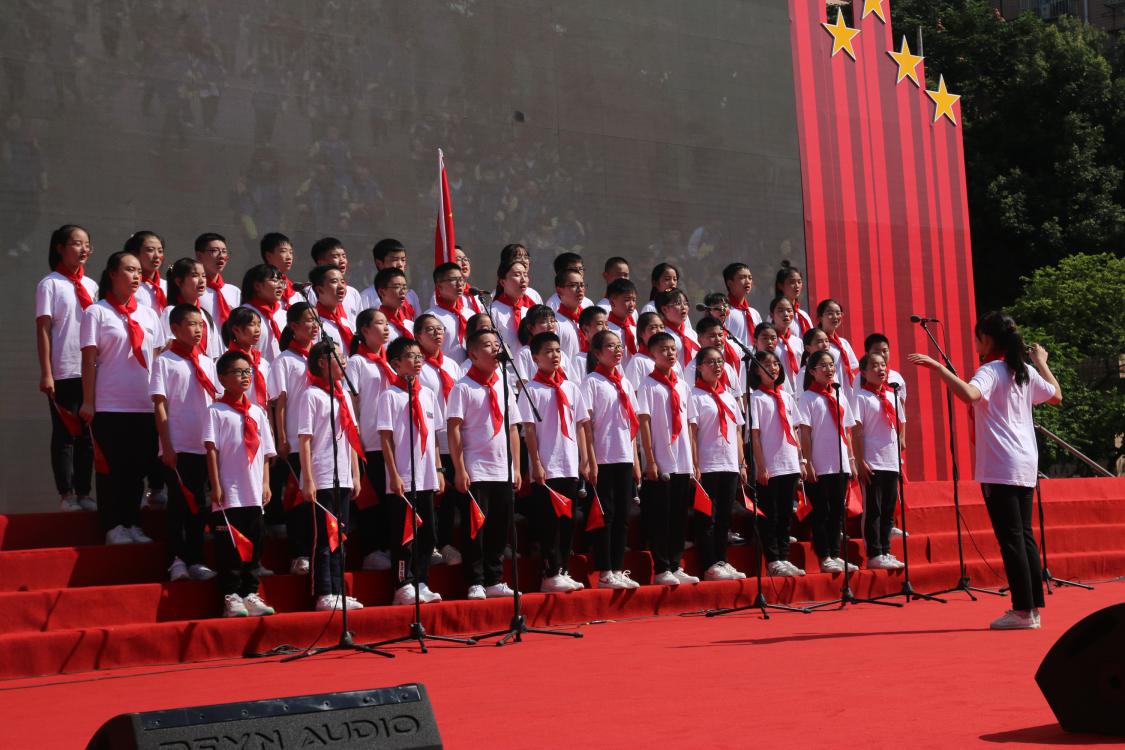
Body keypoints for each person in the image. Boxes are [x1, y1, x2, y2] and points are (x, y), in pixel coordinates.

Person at [909, 311, 1061, 630]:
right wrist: (1041, 362)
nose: (975, 344)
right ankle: (1032, 609)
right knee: (1024, 536)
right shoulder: (1023, 370)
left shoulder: (991, 370)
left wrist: (938, 368)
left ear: (987, 339)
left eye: (977, 338)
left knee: (1012, 538)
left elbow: (970, 394)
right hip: (1025, 461)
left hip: (1001, 464)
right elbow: (1056, 396)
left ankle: (1023, 611)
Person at [80, 251, 162, 544]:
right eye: (129, 270)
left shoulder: (149, 314)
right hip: (110, 403)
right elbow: (89, 360)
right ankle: (112, 525)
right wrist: (88, 401)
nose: (136, 276)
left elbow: (157, 360)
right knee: (112, 469)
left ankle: (132, 522)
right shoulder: (97, 312)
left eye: (138, 270)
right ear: (113, 273)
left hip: (144, 404)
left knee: (137, 468)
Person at [447, 328, 522, 599]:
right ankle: (475, 580)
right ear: (473, 353)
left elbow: (513, 428)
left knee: (499, 528)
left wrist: (516, 467)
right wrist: (460, 469)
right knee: (475, 529)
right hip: (476, 468)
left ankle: (494, 578)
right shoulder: (463, 387)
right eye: (488, 345)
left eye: (496, 344)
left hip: (502, 469)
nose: (494, 350)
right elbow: (454, 428)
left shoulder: (503, 384)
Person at [205, 350, 277, 618]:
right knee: (230, 547)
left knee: (255, 544)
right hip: (230, 492)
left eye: (248, 372)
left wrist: (266, 483)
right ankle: (231, 594)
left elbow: (266, 453)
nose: (245, 377)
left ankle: (250, 592)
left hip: (254, 492)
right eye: (238, 372)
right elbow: (212, 450)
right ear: (223, 378)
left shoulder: (257, 412)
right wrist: (216, 485)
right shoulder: (216, 411)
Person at [151, 304, 219, 581]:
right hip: (178, 445)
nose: (198, 330)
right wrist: (167, 445)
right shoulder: (165, 361)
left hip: (203, 445)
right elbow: (159, 404)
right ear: (175, 328)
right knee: (179, 504)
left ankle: (196, 559)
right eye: (191, 324)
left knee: (200, 505)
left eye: (201, 325)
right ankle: (176, 560)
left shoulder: (207, 362)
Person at [521, 332, 590, 593]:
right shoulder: (531, 390)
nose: (555, 355)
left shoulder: (570, 387)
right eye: (548, 351)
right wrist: (536, 463)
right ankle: (549, 572)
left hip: (569, 463)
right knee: (549, 521)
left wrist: (584, 459)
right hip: (547, 466)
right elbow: (529, 430)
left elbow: (580, 426)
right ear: (535, 357)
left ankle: (562, 569)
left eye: (558, 350)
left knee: (568, 520)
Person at [378, 337, 445, 605]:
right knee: (404, 533)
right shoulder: (389, 395)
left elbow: (434, 436)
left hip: (426, 475)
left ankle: (422, 580)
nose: (417, 361)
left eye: (419, 356)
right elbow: (385, 439)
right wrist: (393, 474)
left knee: (428, 533)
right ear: (396, 363)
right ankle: (402, 583)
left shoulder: (427, 394)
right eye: (411, 356)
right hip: (403, 476)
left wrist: (439, 469)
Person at [299, 341, 365, 612]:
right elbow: (305, 440)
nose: (344, 361)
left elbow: (351, 436)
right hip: (322, 474)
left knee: (341, 537)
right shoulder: (311, 395)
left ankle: (339, 591)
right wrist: (308, 478)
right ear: (322, 362)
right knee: (325, 539)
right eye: (338, 357)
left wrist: (355, 475)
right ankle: (324, 591)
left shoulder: (343, 395)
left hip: (343, 476)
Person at [36, 224, 98, 512]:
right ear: (60, 248)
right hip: (63, 370)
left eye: (87, 244)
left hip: (90, 371)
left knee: (88, 437)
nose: (84, 249)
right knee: (65, 435)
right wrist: (47, 372)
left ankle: (84, 491)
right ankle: (67, 493)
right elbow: (44, 329)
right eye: (76, 243)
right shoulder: (50, 284)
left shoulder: (92, 286)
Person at [637, 332, 699, 586]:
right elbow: (644, 423)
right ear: (652, 354)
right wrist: (650, 460)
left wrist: (693, 462)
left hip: (682, 460)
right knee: (660, 516)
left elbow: (690, 424)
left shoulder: (682, 385)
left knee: (679, 515)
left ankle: (676, 564)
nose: (670, 353)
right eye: (663, 349)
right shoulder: (648, 385)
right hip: (661, 460)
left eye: (673, 349)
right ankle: (661, 567)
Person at [583, 330, 642, 589]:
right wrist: (590, 460)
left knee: (622, 516)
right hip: (603, 458)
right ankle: (605, 570)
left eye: (619, 346)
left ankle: (618, 568)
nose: (618, 350)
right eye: (610, 346)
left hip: (624, 457)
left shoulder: (625, 382)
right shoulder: (592, 382)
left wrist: (635, 461)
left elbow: (631, 425)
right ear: (597, 353)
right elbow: (586, 426)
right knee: (605, 515)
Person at [266, 303, 320, 575]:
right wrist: (282, 438)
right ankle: (299, 553)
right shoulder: (285, 360)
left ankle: (319, 551)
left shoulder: (322, 358)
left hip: (322, 439)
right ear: (293, 326)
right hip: (297, 439)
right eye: (308, 320)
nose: (314, 325)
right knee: (298, 498)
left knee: (320, 498)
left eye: (316, 320)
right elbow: (280, 402)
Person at [797, 350, 859, 574]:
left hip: (840, 462)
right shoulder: (807, 398)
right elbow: (805, 433)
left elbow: (847, 431)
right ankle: (824, 557)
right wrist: (807, 462)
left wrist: (851, 460)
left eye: (831, 365)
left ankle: (835, 554)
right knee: (822, 511)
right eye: (823, 366)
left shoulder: (839, 394)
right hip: (820, 464)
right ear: (812, 371)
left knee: (837, 511)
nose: (829, 369)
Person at [691, 346, 748, 581]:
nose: (717, 366)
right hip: (707, 464)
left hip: (729, 464)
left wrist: (742, 463)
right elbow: (692, 433)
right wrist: (695, 464)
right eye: (711, 362)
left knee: (725, 516)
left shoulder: (728, 396)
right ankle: (709, 564)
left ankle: (722, 560)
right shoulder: (695, 395)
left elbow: (737, 431)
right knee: (707, 517)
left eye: (720, 362)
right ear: (699, 367)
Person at [749, 349, 807, 577]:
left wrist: (801, 460)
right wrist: (761, 466)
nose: (773, 368)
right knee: (770, 514)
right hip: (770, 466)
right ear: (757, 370)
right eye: (767, 364)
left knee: (785, 515)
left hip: (790, 462)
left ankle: (784, 556)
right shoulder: (756, 398)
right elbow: (755, 435)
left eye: (776, 364)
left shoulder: (787, 397)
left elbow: (794, 431)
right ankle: (773, 560)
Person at [415, 313, 466, 566]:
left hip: (453, 439)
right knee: (433, 495)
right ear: (418, 336)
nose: (437, 334)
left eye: (440, 329)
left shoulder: (453, 365)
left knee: (451, 498)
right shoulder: (418, 367)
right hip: (430, 440)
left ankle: (445, 543)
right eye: (430, 330)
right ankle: (430, 545)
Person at [347, 308, 394, 571]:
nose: (386, 328)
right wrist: (355, 439)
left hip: (394, 441)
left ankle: (388, 547)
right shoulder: (357, 362)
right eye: (380, 323)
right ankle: (372, 550)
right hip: (370, 440)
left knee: (391, 498)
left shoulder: (391, 361)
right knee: (371, 497)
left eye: (387, 323)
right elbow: (352, 402)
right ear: (364, 330)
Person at [853, 352, 906, 571]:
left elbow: (900, 426)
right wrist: (859, 460)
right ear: (864, 372)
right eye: (874, 366)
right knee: (873, 509)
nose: (881, 369)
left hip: (891, 461)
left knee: (888, 509)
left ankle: (886, 550)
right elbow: (856, 432)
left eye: (883, 365)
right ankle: (874, 553)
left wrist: (899, 456)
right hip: (872, 461)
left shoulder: (892, 396)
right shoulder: (860, 397)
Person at [165, 258, 222, 358]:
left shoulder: (205, 315)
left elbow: (214, 354)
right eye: (195, 275)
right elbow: (165, 347)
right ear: (179, 281)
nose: (202, 280)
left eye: (204, 276)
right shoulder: (170, 312)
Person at [223, 307, 271, 409]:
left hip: (261, 416)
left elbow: (269, 399)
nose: (257, 330)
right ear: (236, 329)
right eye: (252, 324)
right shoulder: (226, 362)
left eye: (259, 325)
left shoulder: (262, 363)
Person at [817, 298, 860, 407]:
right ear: (820, 317)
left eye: (838, 313)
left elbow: (851, 370)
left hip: (847, 392)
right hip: (828, 392)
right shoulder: (817, 343)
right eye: (830, 313)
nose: (835, 317)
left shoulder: (843, 343)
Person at [240, 264, 287, 362]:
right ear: (257, 286)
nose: (280, 285)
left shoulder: (284, 315)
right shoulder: (244, 313)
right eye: (274, 280)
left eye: (281, 281)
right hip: (254, 368)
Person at [426, 261, 471, 363]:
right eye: (453, 280)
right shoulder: (431, 317)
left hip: (469, 370)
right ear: (439, 286)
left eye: (461, 279)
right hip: (445, 369)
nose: (459, 284)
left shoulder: (470, 314)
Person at [308, 237, 364, 320]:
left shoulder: (353, 293)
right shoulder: (309, 292)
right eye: (335, 256)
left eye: (344, 256)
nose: (342, 261)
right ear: (321, 262)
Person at [194, 232, 240, 332]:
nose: (221, 256)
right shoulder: (193, 290)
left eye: (224, 251)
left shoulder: (234, 292)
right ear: (199, 255)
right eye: (214, 251)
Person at [365, 238, 422, 316]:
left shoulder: (411, 295)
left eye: (403, 260)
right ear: (379, 263)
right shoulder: (368, 296)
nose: (400, 264)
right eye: (394, 260)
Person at [490, 259, 536, 355]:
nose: (523, 279)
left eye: (525, 275)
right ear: (502, 282)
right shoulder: (492, 311)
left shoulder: (530, 310)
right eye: (517, 275)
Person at [309, 264, 353, 351]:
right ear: (319, 290)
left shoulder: (347, 323)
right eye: (334, 282)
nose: (341, 286)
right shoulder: (314, 326)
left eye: (342, 282)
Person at [656, 288, 699, 369]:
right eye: (678, 303)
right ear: (664, 309)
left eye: (685, 303)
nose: (683, 307)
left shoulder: (691, 333)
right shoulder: (662, 334)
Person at [260, 232, 304, 308]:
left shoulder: (294, 289)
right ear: (268, 255)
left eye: (291, 252)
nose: (289, 257)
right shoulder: (260, 287)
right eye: (283, 251)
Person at [127, 231, 167, 314]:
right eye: (150, 250)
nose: (157, 256)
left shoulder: (167, 286)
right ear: (134, 254)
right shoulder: (128, 287)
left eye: (160, 251)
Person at [624, 311, 667, 388]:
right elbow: (633, 392)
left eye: (662, 327)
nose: (659, 331)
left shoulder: (670, 358)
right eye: (653, 328)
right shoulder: (637, 361)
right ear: (641, 333)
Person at [722, 262, 762, 347]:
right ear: (730, 283)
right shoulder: (723, 311)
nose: (748, 281)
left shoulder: (754, 313)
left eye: (750, 278)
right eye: (742, 278)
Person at [552, 268, 589, 359]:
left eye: (582, 285)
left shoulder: (589, 319)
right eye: (573, 285)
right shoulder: (555, 323)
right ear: (559, 290)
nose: (580, 289)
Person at [373, 267, 414, 343]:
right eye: (397, 287)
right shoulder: (375, 328)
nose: (402, 292)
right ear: (382, 292)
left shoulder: (410, 325)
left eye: (404, 287)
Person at [771, 298, 803, 393]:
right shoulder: (769, 341)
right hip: (779, 391)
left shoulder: (798, 341)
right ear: (772, 315)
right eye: (780, 311)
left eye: (789, 310)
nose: (786, 314)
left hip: (799, 391)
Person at [604, 278, 639, 363]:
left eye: (634, 300)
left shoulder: (634, 330)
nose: (632, 304)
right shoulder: (606, 330)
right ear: (612, 302)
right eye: (627, 300)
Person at [774, 261, 812, 337]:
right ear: (780, 286)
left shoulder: (804, 315)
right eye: (792, 282)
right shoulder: (776, 314)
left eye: (799, 282)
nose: (797, 286)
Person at [796, 327, 830, 397]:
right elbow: (802, 398)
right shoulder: (804, 372)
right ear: (808, 348)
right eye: (819, 342)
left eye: (826, 341)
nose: (825, 345)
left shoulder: (830, 367)